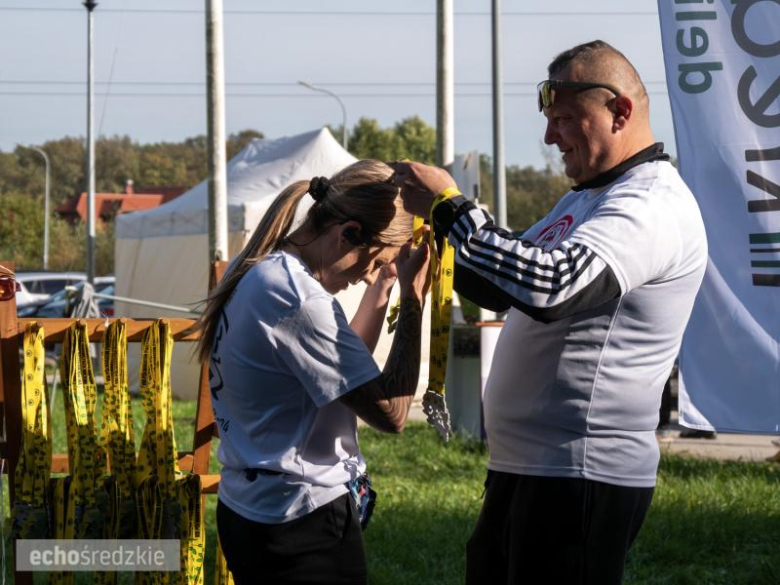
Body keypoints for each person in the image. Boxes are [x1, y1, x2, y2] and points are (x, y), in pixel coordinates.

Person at [394, 40, 708, 584]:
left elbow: (552, 287)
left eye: (562, 119)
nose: (548, 137)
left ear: (620, 111)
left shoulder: (649, 204)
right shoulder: (585, 199)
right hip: (532, 468)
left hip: (580, 475)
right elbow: (504, 285)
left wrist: (452, 208)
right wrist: (428, 246)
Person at [195, 159, 430, 584]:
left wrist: (384, 287)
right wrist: (413, 297)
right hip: (299, 522)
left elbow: (341, 373)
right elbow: (391, 412)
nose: (366, 278)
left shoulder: (262, 270)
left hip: (252, 509)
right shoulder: (299, 299)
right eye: (375, 263)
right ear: (348, 234)